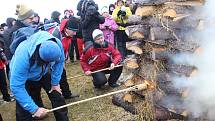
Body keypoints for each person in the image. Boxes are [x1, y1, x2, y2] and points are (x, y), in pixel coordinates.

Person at [10, 31, 69, 121]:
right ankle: (36, 112)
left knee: (57, 95)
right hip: (27, 77)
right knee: (24, 109)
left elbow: (59, 63)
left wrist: (55, 83)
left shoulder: (56, 43)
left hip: (44, 72)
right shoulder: (22, 57)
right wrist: (34, 109)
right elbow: (16, 86)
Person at [0, 35, 14, 102]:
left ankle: (6, 96)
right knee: (2, 83)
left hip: (1, 66)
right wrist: (5, 60)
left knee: (3, 83)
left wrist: (4, 60)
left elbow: (1, 53)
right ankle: (6, 97)